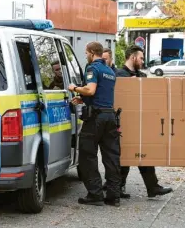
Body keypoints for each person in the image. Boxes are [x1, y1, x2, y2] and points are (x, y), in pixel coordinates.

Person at [113, 45, 173, 198]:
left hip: (140, 121)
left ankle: (153, 187)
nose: (142, 60)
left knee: (144, 154)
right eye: (140, 58)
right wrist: (130, 84)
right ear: (133, 57)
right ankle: (117, 188)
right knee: (125, 155)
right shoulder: (119, 74)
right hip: (124, 121)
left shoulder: (142, 76)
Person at [68, 42, 121, 207]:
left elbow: (90, 89)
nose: (86, 56)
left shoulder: (93, 68)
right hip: (110, 117)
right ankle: (114, 196)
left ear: (92, 52)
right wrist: (83, 99)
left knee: (87, 155)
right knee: (111, 157)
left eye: (86, 53)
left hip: (95, 119)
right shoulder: (110, 71)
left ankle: (95, 194)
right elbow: (101, 93)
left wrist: (75, 88)